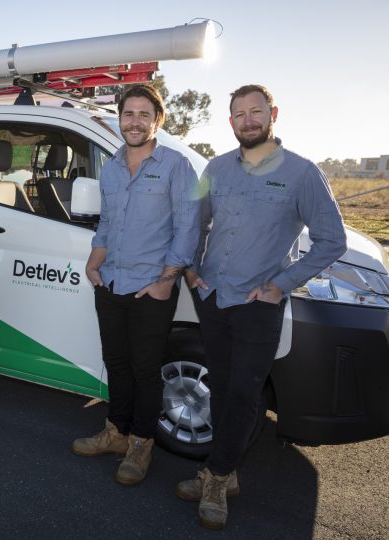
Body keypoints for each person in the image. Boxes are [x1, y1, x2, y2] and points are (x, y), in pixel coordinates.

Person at [177, 84, 347, 530]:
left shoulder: (302, 173)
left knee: (243, 392)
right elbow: (195, 222)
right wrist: (192, 272)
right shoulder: (215, 168)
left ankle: (215, 477)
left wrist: (281, 285)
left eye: (256, 112)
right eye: (239, 114)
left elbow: (332, 240)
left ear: (273, 114)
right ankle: (224, 471)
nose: (248, 120)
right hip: (213, 297)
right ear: (230, 121)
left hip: (258, 302)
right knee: (220, 385)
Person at [73, 84, 200, 485]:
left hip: (151, 288)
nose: (135, 122)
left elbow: (188, 228)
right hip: (110, 283)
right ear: (120, 117)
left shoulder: (176, 165)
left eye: (145, 115)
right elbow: (107, 222)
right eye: (129, 114)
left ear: (157, 121)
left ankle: (141, 444)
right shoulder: (110, 167)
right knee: (117, 363)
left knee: (146, 370)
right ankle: (116, 432)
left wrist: (166, 282)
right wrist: (95, 262)